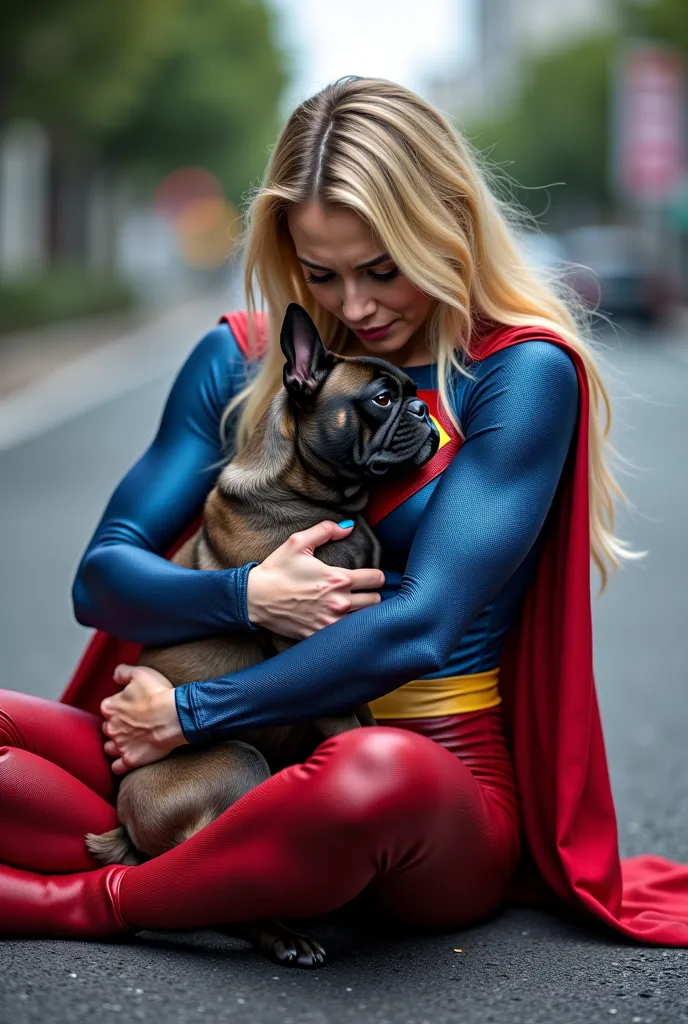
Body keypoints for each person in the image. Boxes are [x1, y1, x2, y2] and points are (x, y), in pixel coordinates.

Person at [1, 76, 687, 947]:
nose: (356, 308)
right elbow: (102, 580)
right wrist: (243, 596)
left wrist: (195, 710)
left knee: (371, 775)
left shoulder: (518, 372)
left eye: (382, 270)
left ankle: (93, 901)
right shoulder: (244, 360)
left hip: (428, 782)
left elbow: (422, 624)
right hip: (212, 770)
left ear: (445, 229)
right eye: (322, 275)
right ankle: (209, 866)